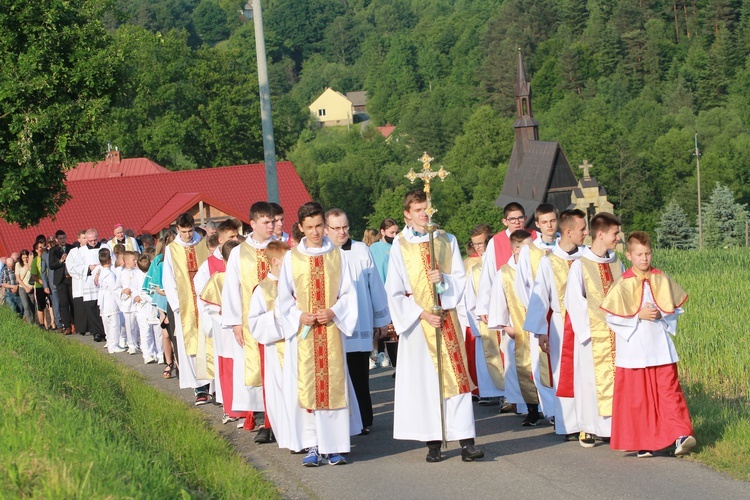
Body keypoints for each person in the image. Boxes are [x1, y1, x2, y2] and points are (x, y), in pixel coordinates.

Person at [385, 189, 483, 463]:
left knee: (456, 380)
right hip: (418, 325)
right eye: (418, 210)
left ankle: (466, 442)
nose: (424, 213)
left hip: (446, 319)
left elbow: (460, 281)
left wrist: (444, 280)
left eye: (426, 208)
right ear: (407, 213)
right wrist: (421, 314)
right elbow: (393, 290)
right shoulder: (400, 244)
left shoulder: (446, 239)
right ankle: (433, 444)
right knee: (426, 385)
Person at [277, 201, 360, 467]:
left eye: (319, 226)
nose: (315, 232)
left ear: (325, 224)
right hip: (304, 333)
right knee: (306, 387)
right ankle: (312, 444)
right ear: (300, 227)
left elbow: (349, 293)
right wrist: (298, 315)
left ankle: (334, 446)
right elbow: (282, 300)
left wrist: (334, 311)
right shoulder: (292, 257)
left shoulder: (337, 255)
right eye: (309, 227)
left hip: (331, 330)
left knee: (333, 385)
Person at [602, 231, 694, 458]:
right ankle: (644, 440)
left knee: (670, 392)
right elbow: (611, 316)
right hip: (634, 349)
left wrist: (663, 314)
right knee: (638, 399)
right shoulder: (622, 284)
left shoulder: (661, 278)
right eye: (639, 254)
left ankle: (681, 434)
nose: (644, 258)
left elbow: (676, 309)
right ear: (630, 255)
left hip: (660, 347)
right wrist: (637, 316)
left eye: (648, 253)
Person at [523, 209, 588, 439]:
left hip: (587, 323)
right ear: (568, 232)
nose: (586, 233)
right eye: (582, 229)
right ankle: (567, 424)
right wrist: (540, 331)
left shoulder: (585, 257)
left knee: (586, 373)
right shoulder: (549, 262)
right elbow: (540, 296)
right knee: (563, 373)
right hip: (561, 323)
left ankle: (588, 422)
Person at [326, 208, 391, 435]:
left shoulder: (361, 249)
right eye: (336, 228)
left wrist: (381, 319)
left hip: (359, 323)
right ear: (326, 229)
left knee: (359, 374)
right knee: (335, 375)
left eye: (345, 227)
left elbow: (375, 285)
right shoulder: (321, 253)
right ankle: (339, 421)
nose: (342, 232)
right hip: (331, 325)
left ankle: (363, 419)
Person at [562, 212, 624, 448]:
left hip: (618, 333)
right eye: (615, 233)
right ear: (601, 234)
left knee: (617, 380)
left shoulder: (617, 263)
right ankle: (588, 428)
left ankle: (614, 427)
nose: (618, 237)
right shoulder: (580, 265)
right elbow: (573, 300)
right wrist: (590, 331)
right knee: (590, 382)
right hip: (593, 336)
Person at [222, 203, 275, 433]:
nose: (271, 226)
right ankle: (264, 418)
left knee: (278, 368)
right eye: (266, 222)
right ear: (252, 224)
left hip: (278, 318)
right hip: (249, 320)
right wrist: (235, 322)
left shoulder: (282, 249)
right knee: (255, 367)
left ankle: (279, 417)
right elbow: (232, 288)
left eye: (273, 221)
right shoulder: (239, 252)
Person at [488, 230, 540, 425]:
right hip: (518, 330)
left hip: (539, 328)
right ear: (516, 249)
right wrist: (506, 326)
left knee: (543, 368)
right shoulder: (505, 272)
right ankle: (532, 409)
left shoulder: (539, 267)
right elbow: (499, 301)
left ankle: (548, 408)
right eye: (528, 247)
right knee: (524, 369)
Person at [514, 203, 560, 423]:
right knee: (541, 363)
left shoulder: (565, 246)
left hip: (562, 313)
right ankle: (551, 410)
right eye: (545, 222)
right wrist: (535, 310)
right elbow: (521, 284)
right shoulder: (528, 251)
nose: (549, 225)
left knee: (563, 360)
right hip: (541, 313)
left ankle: (566, 407)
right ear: (538, 225)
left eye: (552, 221)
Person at [162, 213, 211, 404]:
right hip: (185, 305)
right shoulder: (172, 249)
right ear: (177, 230)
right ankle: (199, 387)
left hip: (204, 301)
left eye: (190, 230)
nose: (188, 235)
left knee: (208, 341)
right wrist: (176, 306)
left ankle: (211, 384)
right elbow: (168, 279)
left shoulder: (203, 244)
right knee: (189, 345)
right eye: (184, 232)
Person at [248, 240, 291, 447]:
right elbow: (255, 323)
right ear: (275, 261)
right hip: (276, 348)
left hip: (297, 346)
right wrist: (276, 316)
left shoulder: (296, 284)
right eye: (287, 260)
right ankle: (286, 435)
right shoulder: (262, 289)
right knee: (280, 391)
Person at [460, 223, 505, 405]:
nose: (479, 248)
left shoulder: (500, 262)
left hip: (502, 320)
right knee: (486, 356)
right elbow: (469, 298)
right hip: (483, 321)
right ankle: (489, 392)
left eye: (482, 243)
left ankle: (509, 395)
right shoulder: (474, 267)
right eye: (475, 244)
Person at [198, 239, 241, 424]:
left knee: (238, 369)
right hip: (226, 331)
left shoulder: (241, 277)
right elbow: (208, 305)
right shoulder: (217, 278)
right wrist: (223, 315)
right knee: (229, 368)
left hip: (239, 331)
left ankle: (242, 410)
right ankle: (232, 409)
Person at [143, 230, 177, 377]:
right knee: (166, 334)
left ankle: (178, 362)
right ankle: (169, 362)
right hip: (163, 301)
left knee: (176, 334)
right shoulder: (158, 261)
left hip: (178, 300)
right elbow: (156, 287)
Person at [97, 248, 126, 354]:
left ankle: (111, 342)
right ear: (110, 260)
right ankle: (114, 345)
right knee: (114, 323)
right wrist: (121, 299)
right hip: (110, 301)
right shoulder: (109, 274)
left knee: (109, 323)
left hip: (105, 300)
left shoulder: (102, 272)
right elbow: (114, 289)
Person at [135, 254, 162, 364]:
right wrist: (135, 296)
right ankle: (147, 354)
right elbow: (136, 290)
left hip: (153, 307)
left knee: (158, 331)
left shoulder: (154, 275)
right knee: (145, 332)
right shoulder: (135, 275)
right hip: (142, 307)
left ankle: (160, 353)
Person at [115, 251, 142, 355]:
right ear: (126, 262)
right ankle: (131, 344)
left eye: (136, 259)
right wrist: (123, 291)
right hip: (127, 303)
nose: (136, 261)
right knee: (130, 325)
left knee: (138, 324)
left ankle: (139, 343)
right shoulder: (122, 273)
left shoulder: (138, 272)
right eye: (133, 260)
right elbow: (116, 288)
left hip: (138, 301)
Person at [49, 230, 75, 335]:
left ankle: (75, 324)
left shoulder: (72, 248)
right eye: (60, 239)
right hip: (61, 279)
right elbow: (51, 265)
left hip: (71, 278)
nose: (62, 240)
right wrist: (60, 261)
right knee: (64, 304)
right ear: (56, 240)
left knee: (73, 302)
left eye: (64, 238)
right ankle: (67, 326)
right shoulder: (53, 250)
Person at [30, 241, 50, 328]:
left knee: (51, 305)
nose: (42, 249)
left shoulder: (48, 258)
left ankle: (52, 323)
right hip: (39, 286)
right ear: (36, 250)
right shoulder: (35, 261)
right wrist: (42, 282)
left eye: (43, 247)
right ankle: (42, 324)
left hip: (49, 285)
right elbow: (33, 276)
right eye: (40, 247)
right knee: (41, 306)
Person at [15, 249, 35, 323]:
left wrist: (31, 287)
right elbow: (18, 278)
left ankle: (35, 321)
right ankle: (30, 323)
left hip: (31, 287)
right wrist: (25, 287)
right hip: (22, 288)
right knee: (26, 306)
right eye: (23, 258)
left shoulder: (31, 264)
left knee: (33, 306)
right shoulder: (18, 265)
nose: (25, 259)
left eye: (26, 257)